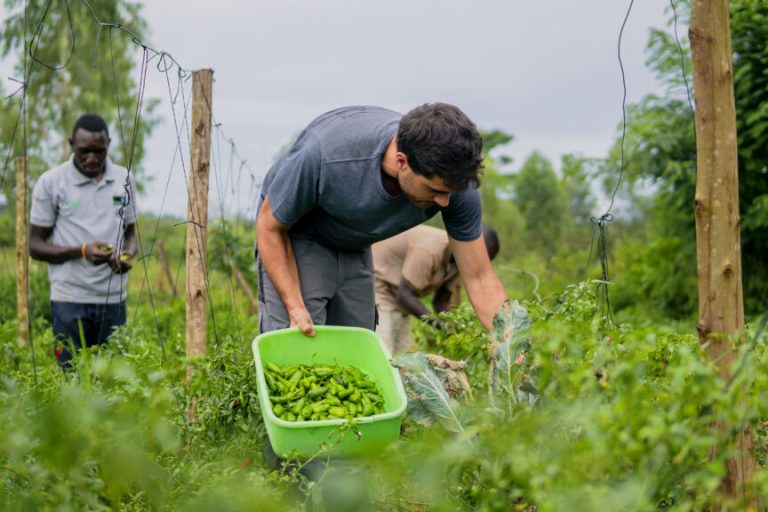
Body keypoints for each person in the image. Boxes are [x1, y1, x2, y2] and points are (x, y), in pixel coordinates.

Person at [255, 103, 507, 338]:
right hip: (298, 233)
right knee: (300, 339)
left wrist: (510, 342)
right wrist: (295, 307)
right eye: (434, 190)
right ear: (402, 162)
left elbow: (479, 277)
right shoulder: (326, 155)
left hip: (356, 242)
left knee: (357, 346)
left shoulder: (456, 184)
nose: (444, 202)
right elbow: (270, 227)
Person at [29, 114, 138, 369]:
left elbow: (131, 234)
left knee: (113, 382)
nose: (91, 158)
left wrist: (126, 255)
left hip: (113, 300)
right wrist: (81, 251)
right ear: (71, 144)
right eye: (83, 151)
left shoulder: (123, 179)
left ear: (108, 145)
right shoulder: (51, 182)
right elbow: (35, 245)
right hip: (69, 300)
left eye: (99, 151)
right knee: (71, 378)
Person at [373, 224, 500, 355]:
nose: (477, 263)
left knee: (403, 354)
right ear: (468, 245)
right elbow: (404, 295)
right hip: (380, 286)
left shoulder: (461, 260)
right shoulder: (428, 249)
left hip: (399, 296)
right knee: (382, 352)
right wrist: (441, 325)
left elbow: (440, 301)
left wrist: (457, 326)